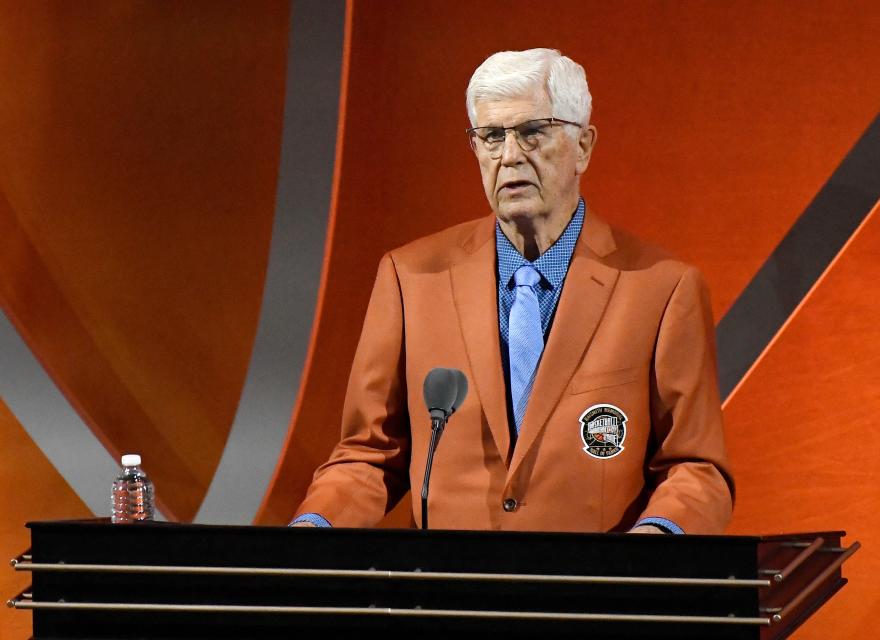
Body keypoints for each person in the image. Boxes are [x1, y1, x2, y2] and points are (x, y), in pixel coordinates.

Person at [292, 48, 733, 534]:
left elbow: (695, 469)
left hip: (591, 600)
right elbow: (369, 456)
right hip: (450, 598)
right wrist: (314, 528)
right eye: (491, 137)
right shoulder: (410, 278)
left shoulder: (662, 288)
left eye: (531, 133)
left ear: (583, 146)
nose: (509, 156)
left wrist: (654, 545)